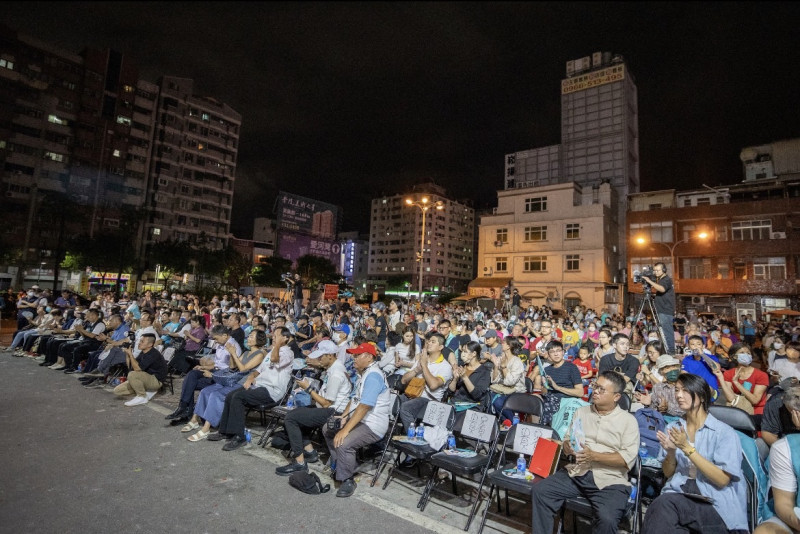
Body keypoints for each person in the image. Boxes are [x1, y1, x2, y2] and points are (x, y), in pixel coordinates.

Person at [532, 371, 640, 534]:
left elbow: (626, 460)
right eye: (595, 386)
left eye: (602, 389)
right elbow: (569, 438)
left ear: (616, 397)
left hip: (610, 479)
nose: (595, 391)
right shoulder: (582, 411)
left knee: (607, 519)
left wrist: (594, 456)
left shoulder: (628, 421)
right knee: (541, 491)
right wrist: (568, 446)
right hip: (578, 472)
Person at [642, 373, 749, 534]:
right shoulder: (673, 428)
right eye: (677, 390)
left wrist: (687, 448)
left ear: (702, 396)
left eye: (685, 391)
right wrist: (671, 452)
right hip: (680, 495)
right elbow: (667, 473)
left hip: (715, 503)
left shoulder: (723, 433)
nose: (678, 395)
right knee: (663, 512)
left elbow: (722, 480)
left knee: (662, 506)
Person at [324, 342, 392, 498]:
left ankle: (347, 479)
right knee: (328, 429)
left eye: (356, 355)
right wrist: (344, 417)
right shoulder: (364, 373)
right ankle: (342, 464)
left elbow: (365, 406)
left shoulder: (373, 375)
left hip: (373, 425)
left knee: (344, 442)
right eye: (353, 355)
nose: (353, 358)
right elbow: (354, 400)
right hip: (362, 419)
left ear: (368, 357)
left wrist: (345, 430)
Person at [210, 326, 294, 451]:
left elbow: (275, 360)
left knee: (238, 397)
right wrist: (251, 377)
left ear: (285, 338)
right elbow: (258, 370)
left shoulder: (288, 352)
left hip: (272, 391)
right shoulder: (272, 351)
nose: (273, 338)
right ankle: (225, 431)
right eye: (273, 336)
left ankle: (239, 436)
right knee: (230, 396)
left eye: (276, 336)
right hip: (258, 385)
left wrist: (277, 345)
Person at [275, 340, 352, 475]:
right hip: (330, 409)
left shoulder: (336, 373)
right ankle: (309, 452)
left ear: (330, 355)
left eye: (321, 356)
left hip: (334, 412)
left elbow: (326, 403)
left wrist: (308, 389)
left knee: (291, 418)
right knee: (298, 413)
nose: (319, 359)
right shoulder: (333, 368)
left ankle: (299, 463)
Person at [183, 330, 268, 442]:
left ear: (259, 340)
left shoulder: (260, 355)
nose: (248, 338)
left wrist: (233, 353)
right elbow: (233, 367)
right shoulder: (246, 353)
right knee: (205, 391)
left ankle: (206, 428)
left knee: (216, 395)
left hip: (241, 383)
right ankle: (194, 420)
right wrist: (231, 354)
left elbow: (243, 369)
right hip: (232, 379)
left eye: (252, 336)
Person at [166, 325, 241, 422]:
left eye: (216, 339)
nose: (215, 341)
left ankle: (185, 410)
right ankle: (184, 407)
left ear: (224, 335)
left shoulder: (234, 347)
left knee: (190, 384)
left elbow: (232, 369)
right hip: (215, 370)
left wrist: (231, 354)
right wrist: (204, 367)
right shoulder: (221, 343)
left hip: (223, 376)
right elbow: (217, 364)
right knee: (192, 374)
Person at [398, 332, 453, 431]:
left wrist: (424, 365)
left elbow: (433, 385)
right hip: (412, 394)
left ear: (440, 347)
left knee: (405, 408)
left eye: (433, 342)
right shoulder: (423, 359)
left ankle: (412, 438)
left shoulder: (445, 366)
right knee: (393, 401)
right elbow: (403, 380)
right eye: (428, 342)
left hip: (428, 399)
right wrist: (416, 370)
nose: (429, 344)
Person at [712, 342, 768, 424]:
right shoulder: (728, 374)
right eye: (742, 353)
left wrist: (737, 383)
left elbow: (755, 400)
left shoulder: (761, 375)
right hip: (738, 409)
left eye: (748, 353)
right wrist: (721, 377)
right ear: (734, 356)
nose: (746, 355)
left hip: (757, 412)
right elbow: (730, 398)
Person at [754, 434, 800, 534]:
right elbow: (784, 503)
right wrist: (797, 523)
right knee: (764, 532)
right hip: (794, 518)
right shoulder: (785, 448)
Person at [113, 333, 167, 407]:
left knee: (133, 374)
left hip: (156, 380)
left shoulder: (153, 354)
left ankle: (142, 396)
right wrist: (128, 354)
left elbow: (137, 369)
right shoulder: (143, 352)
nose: (139, 343)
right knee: (117, 391)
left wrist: (131, 355)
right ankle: (147, 391)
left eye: (142, 341)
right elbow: (130, 367)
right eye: (139, 341)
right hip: (144, 378)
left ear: (150, 344)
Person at [634, 354, 686, 419]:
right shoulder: (658, 388)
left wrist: (668, 408)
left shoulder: (685, 385)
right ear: (661, 372)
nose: (671, 370)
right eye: (667, 368)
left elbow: (687, 410)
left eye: (674, 366)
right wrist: (649, 404)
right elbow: (654, 411)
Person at [488, 336, 527, 420]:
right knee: (486, 398)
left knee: (498, 402)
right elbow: (494, 380)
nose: (501, 344)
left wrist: (504, 368)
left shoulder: (517, 362)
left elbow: (510, 382)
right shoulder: (500, 358)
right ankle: (502, 422)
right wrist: (495, 366)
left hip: (515, 391)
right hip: (502, 389)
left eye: (503, 342)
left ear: (509, 346)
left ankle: (512, 421)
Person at [641, 262, 676, 354]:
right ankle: (665, 350)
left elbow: (662, 289)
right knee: (662, 332)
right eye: (655, 270)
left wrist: (649, 281)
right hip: (661, 310)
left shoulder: (666, 279)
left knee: (666, 331)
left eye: (658, 270)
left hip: (665, 310)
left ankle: (671, 351)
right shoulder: (661, 279)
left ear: (664, 270)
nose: (655, 272)